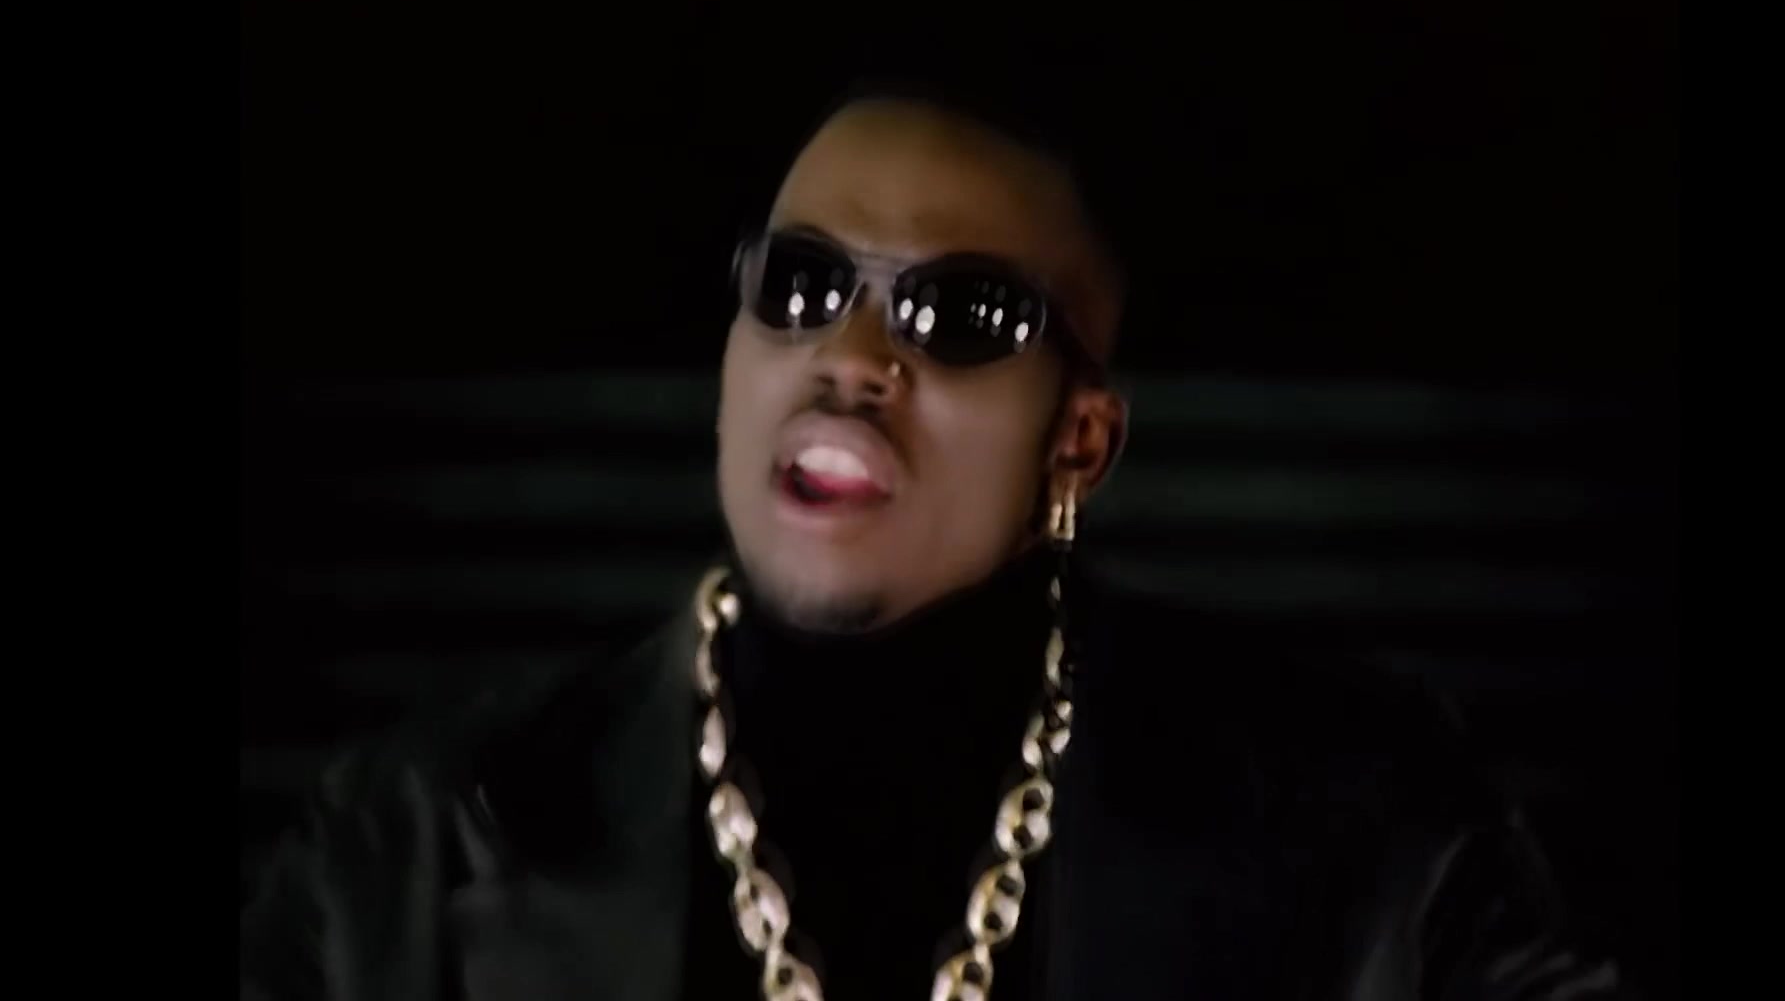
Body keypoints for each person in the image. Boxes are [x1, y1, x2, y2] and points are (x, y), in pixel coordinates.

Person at [241, 77, 1631, 1000]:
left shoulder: (1368, 821)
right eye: (801, 284)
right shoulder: (410, 848)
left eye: (963, 315)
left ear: (1080, 440)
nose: (850, 357)